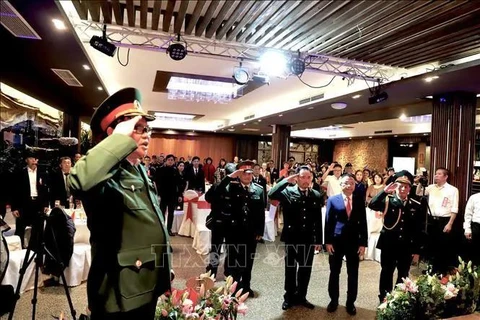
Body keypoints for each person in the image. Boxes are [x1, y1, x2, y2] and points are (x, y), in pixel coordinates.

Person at [68, 88, 173, 319]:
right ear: (113, 133)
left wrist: (163, 269)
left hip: (146, 279)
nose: (146, 135)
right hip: (120, 289)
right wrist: (118, 139)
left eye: (147, 129)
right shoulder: (103, 173)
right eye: (137, 128)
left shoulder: (137, 169)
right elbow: (78, 181)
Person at [268, 166, 324, 310]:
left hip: (308, 239)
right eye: (303, 177)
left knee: (305, 269)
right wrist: (286, 180)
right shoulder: (287, 192)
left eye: (308, 177)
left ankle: (302, 296)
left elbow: (318, 219)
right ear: (297, 178)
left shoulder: (316, 195)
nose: (306, 180)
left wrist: (318, 240)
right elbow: (271, 194)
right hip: (292, 238)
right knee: (291, 269)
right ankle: (289, 297)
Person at [208, 161, 265, 297]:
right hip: (234, 230)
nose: (247, 175)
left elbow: (260, 212)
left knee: (248, 261)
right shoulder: (230, 187)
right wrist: (229, 177)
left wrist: (259, 231)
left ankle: (246, 286)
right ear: (238, 174)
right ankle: (232, 287)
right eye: (243, 172)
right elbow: (213, 195)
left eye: (250, 172)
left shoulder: (258, 189)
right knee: (233, 261)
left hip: (251, 231)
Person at [368, 173, 424, 303]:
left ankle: (399, 298)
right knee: (387, 272)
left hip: (406, 246)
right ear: (395, 187)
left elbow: (418, 230)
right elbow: (372, 205)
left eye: (406, 187)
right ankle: (384, 298)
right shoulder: (388, 200)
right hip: (389, 245)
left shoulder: (415, 205)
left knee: (403, 274)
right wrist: (384, 191)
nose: (403, 189)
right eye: (400, 186)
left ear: (410, 189)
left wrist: (416, 251)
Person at [324, 174, 367, 316]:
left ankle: (350, 302)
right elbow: (328, 222)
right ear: (341, 185)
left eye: (352, 183)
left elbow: (363, 223)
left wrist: (363, 243)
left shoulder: (359, 200)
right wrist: (328, 242)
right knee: (334, 272)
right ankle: (334, 300)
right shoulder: (332, 200)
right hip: (336, 242)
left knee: (353, 273)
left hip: (354, 242)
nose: (349, 185)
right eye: (346, 183)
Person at [416, 167, 459, 274]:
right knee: (431, 245)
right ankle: (432, 269)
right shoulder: (431, 187)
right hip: (431, 220)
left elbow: (455, 208)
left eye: (439, 174)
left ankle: (442, 270)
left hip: (444, 220)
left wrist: (450, 224)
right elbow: (418, 193)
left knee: (443, 246)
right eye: (436, 174)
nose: (436, 176)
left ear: (446, 177)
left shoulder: (452, 190)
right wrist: (421, 182)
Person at [205, 162, 236, 276]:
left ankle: (226, 271)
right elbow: (208, 198)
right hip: (219, 221)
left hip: (230, 223)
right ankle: (214, 270)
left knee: (229, 248)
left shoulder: (236, 186)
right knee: (216, 247)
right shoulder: (218, 186)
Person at [11, 152, 49, 248]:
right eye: (31, 158)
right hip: (24, 204)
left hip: (38, 203)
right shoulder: (19, 173)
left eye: (35, 159)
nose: (33, 160)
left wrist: (45, 204)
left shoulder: (43, 173)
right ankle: (18, 250)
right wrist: (14, 207)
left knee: (39, 228)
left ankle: (36, 252)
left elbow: (46, 190)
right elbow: (14, 191)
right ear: (26, 160)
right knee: (20, 228)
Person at [464, 192, 480, 267]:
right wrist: (467, 229)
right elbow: (468, 214)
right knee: (475, 253)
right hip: (477, 227)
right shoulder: (474, 197)